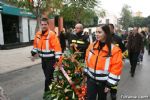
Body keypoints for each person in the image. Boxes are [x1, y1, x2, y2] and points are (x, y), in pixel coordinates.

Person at [84, 24, 123, 100]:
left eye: (99, 32)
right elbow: (87, 60)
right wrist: (86, 74)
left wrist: (109, 84)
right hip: (91, 80)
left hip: (103, 83)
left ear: (106, 33)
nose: (96, 34)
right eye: (96, 32)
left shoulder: (114, 50)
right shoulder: (91, 46)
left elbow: (116, 68)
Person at [31, 18, 62, 93]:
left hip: (51, 60)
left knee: (48, 78)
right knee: (48, 77)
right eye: (42, 24)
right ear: (40, 25)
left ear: (48, 25)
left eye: (45, 24)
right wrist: (33, 53)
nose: (43, 26)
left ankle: (47, 93)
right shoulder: (38, 34)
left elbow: (57, 47)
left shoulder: (51, 34)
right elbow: (35, 45)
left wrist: (58, 59)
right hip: (43, 60)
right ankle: (53, 90)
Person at [109, 24, 126, 100]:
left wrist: (121, 58)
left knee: (113, 79)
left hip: (115, 63)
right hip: (105, 63)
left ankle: (113, 93)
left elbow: (124, 49)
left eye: (109, 29)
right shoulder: (103, 37)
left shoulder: (118, 38)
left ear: (113, 29)